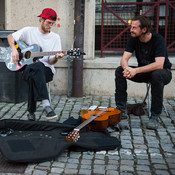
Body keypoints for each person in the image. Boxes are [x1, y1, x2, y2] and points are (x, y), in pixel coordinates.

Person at [115, 15, 172, 130]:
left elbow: (159, 64)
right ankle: (121, 110)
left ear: (144, 29)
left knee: (156, 74)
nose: (131, 30)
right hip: (143, 72)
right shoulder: (133, 39)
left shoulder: (158, 39)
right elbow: (124, 59)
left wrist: (135, 70)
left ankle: (155, 116)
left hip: (163, 73)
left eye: (134, 28)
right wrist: (127, 69)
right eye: (131, 27)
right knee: (119, 70)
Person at [7, 8, 64, 121]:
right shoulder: (28, 31)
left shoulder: (55, 38)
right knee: (35, 68)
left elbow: (50, 62)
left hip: (46, 71)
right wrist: (13, 49)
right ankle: (46, 105)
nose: (50, 26)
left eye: (52, 24)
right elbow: (10, 37)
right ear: (41, 19)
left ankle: (31, 112)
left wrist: (56, 58)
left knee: (36, 68)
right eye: (48, 22)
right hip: (27, 69)